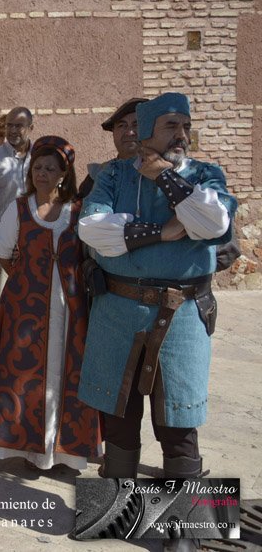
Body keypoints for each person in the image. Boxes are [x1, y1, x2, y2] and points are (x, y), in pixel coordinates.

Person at [78, 92, 237, 485]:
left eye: (186, 126)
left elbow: (213, 224)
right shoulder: (113, 176)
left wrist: (164, 176)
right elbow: (93, 230)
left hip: (182, 315)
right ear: (147, 130)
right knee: (118, 420)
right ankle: (116, 507)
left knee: (178, 423)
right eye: (171, 126)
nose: (181, 134)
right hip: (118, 312)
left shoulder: (206, 175)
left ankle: (185, 518)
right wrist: (162, 232)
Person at [0, 136, 101, 470]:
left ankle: (65, 453)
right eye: (37, 167)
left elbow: (89, 254)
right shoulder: (19, 208)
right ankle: (30, 451)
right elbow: (3, 254)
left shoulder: (77, 211)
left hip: (70, 306)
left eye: (50, 168)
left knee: (65, 373)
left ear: (63, 174)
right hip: (25, 307)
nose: (42, 173)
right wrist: (29, 279)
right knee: (25, 375)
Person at [0, 107, 33, 353]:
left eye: (18, 125)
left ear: (30, 128)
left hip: (33, 240)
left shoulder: (40, 159)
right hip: (1, 241)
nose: (12, 130)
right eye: (9, 125)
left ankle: (22, 351)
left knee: (30, 298)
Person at [77, 97, 146, 199]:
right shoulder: (98, 175)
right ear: (113, 133)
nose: (129, 132)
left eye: (136, 125)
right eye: (122, 125)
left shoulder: (163, 173)